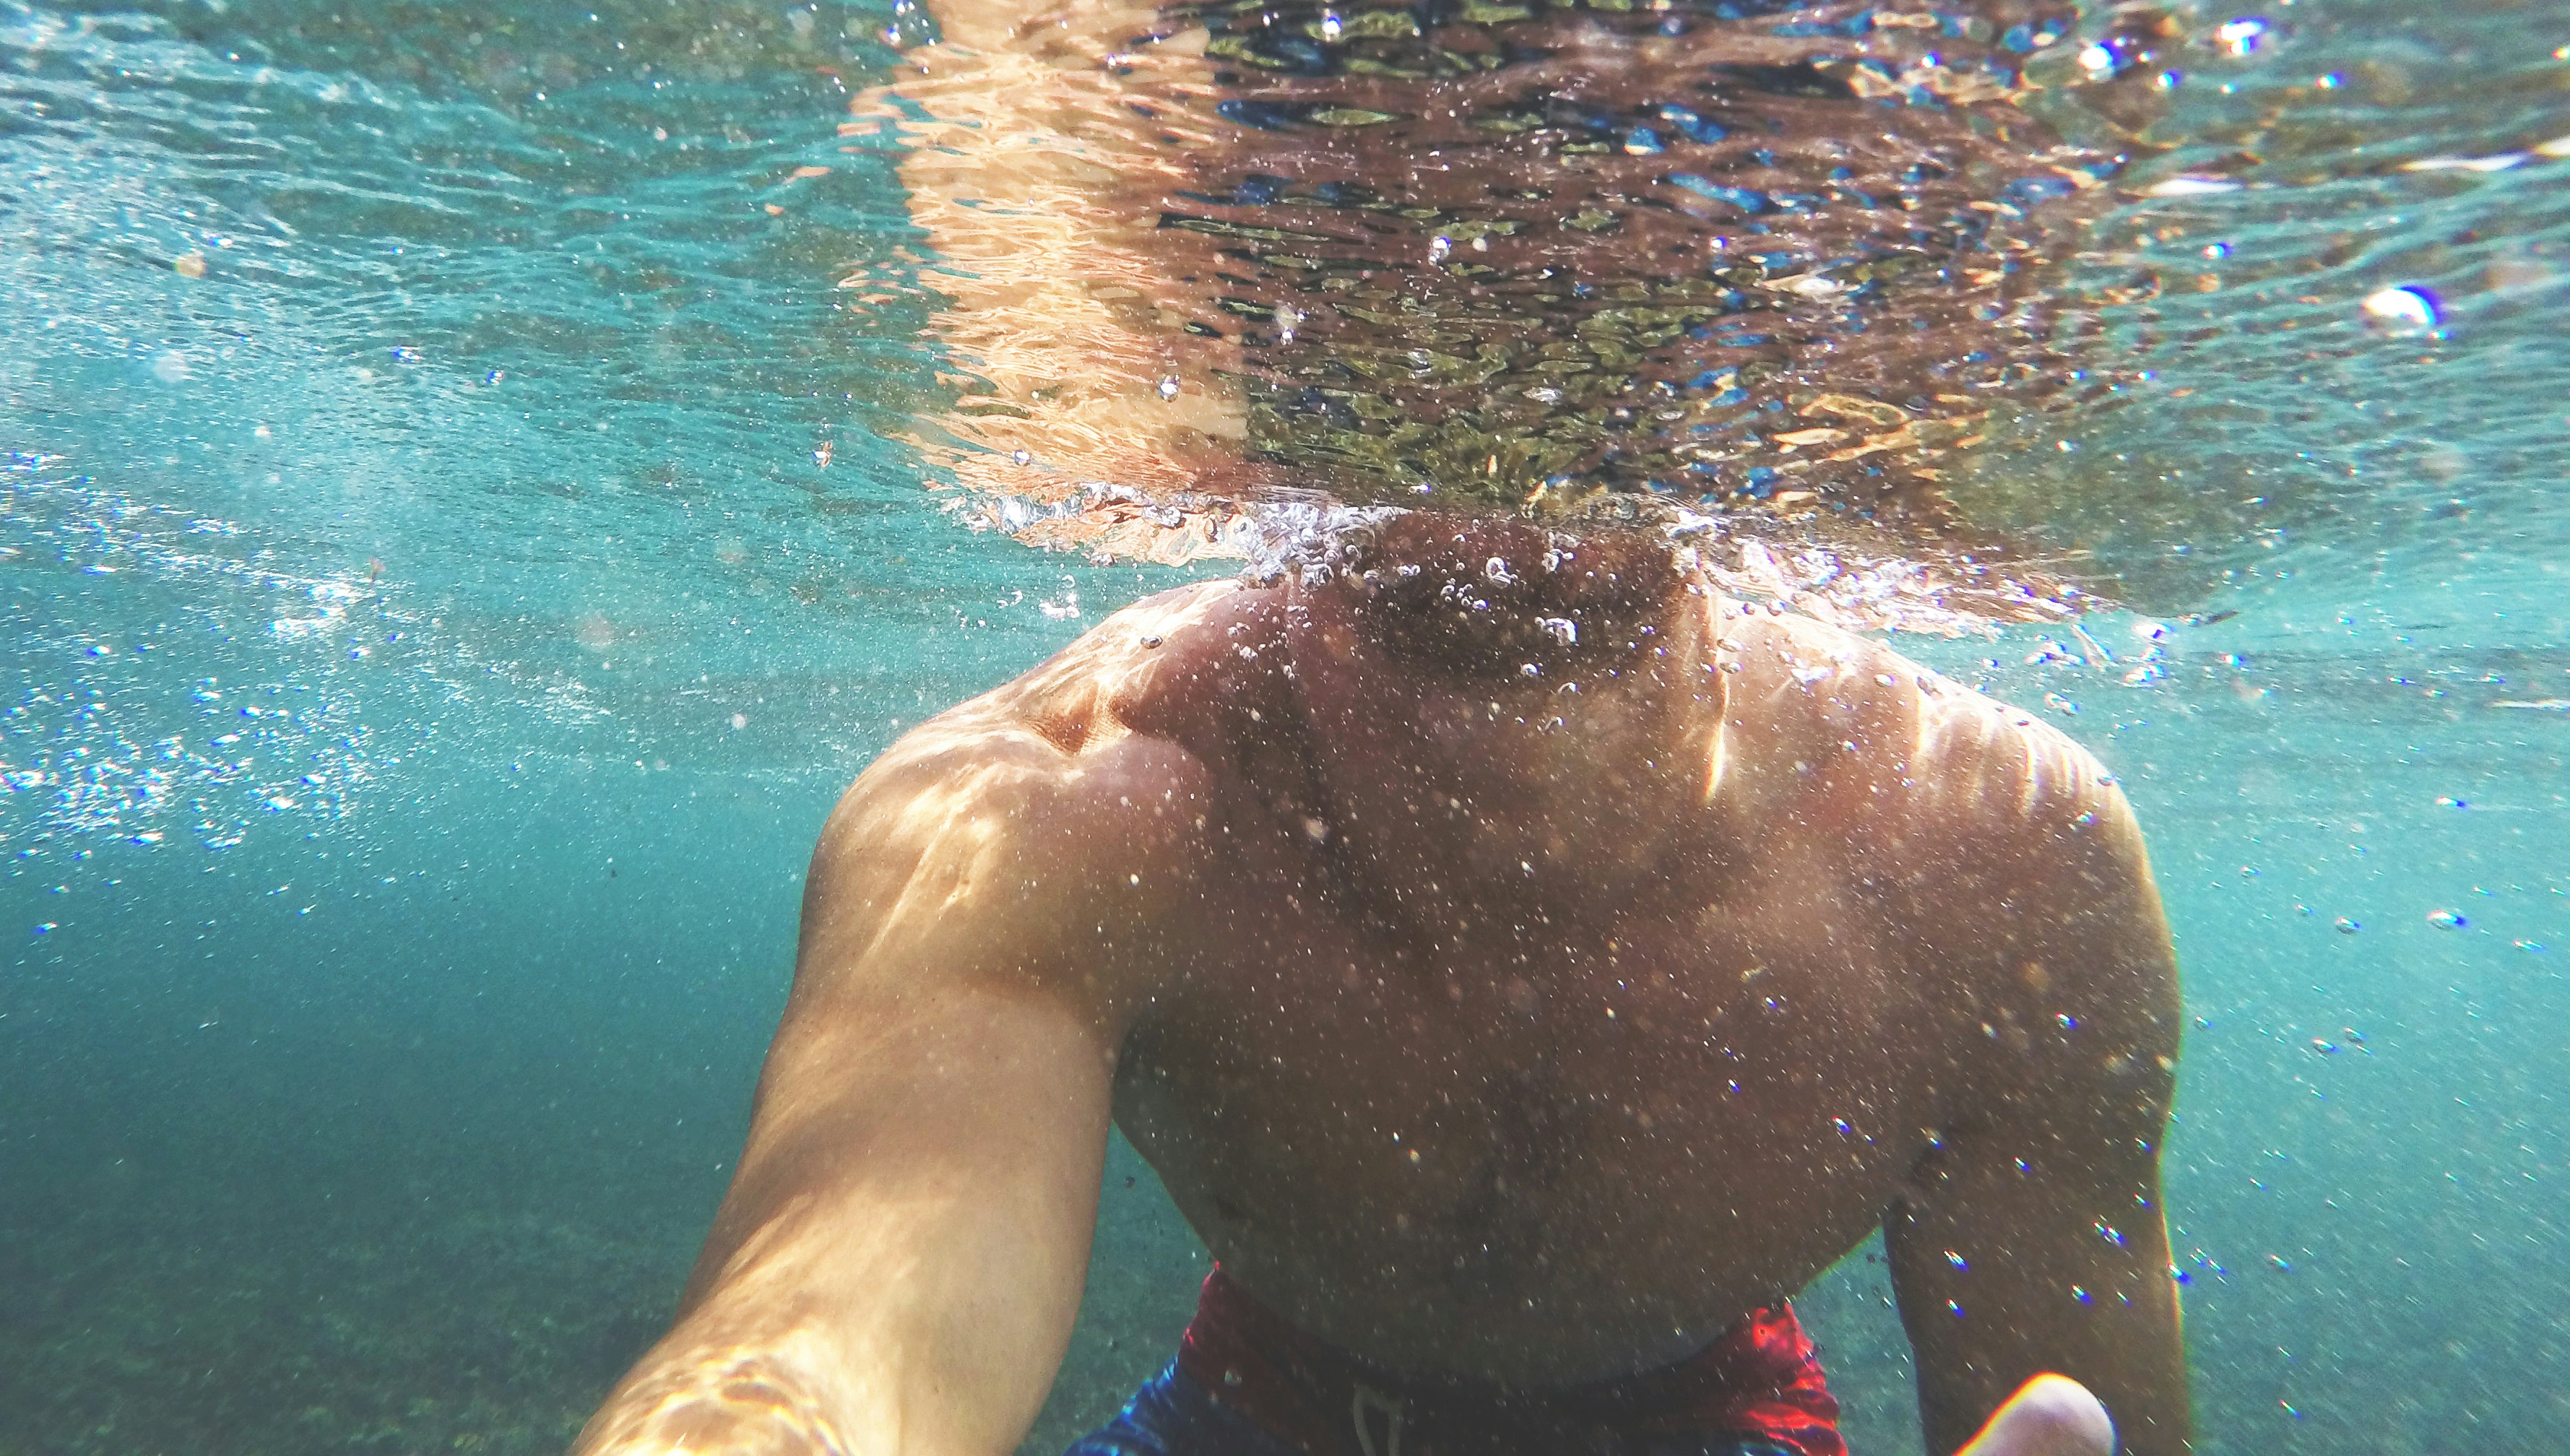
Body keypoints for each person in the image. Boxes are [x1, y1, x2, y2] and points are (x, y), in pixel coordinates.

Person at [571, 512, 2187, 1456]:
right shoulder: (1054, 807)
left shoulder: (1999, 856)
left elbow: (2071, 1381)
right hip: (1266, 1400)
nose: (1496, 462)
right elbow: (829, 1332)